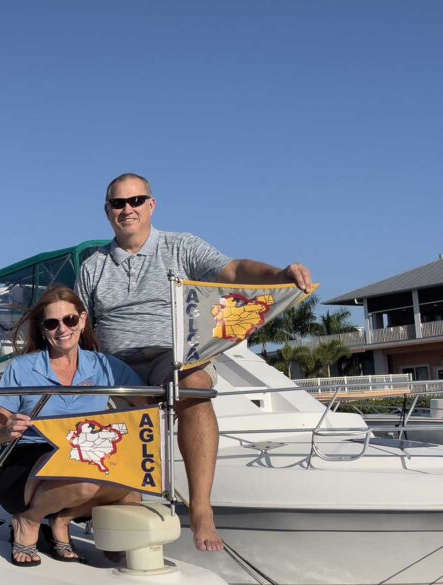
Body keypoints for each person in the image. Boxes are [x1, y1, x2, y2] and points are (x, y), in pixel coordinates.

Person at [75, 173, 313, 552]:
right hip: (116, 366)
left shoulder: (181, 246)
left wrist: (279, 275)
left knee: (196, 384)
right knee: (111, 408)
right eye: (118, 203)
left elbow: (233, 270)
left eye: (136, 201)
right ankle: (124, 517)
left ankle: (201, 508)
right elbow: (80, 327)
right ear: (107, 211)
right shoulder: (92, 267)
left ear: (151, 205)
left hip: (171, 356)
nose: (128, 209)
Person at [0, 286, 145, 567]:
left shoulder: (106, 367)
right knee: (85, 481)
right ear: (43, 329)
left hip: (81, 456)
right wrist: (7, 430)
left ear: (82, 321)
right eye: (52, 323)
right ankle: (29, 519)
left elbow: (147, 406)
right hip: (25, 463)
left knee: (134, 484)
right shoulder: (21, 368)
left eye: (69, 320)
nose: (62, 329)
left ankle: (63, 519)